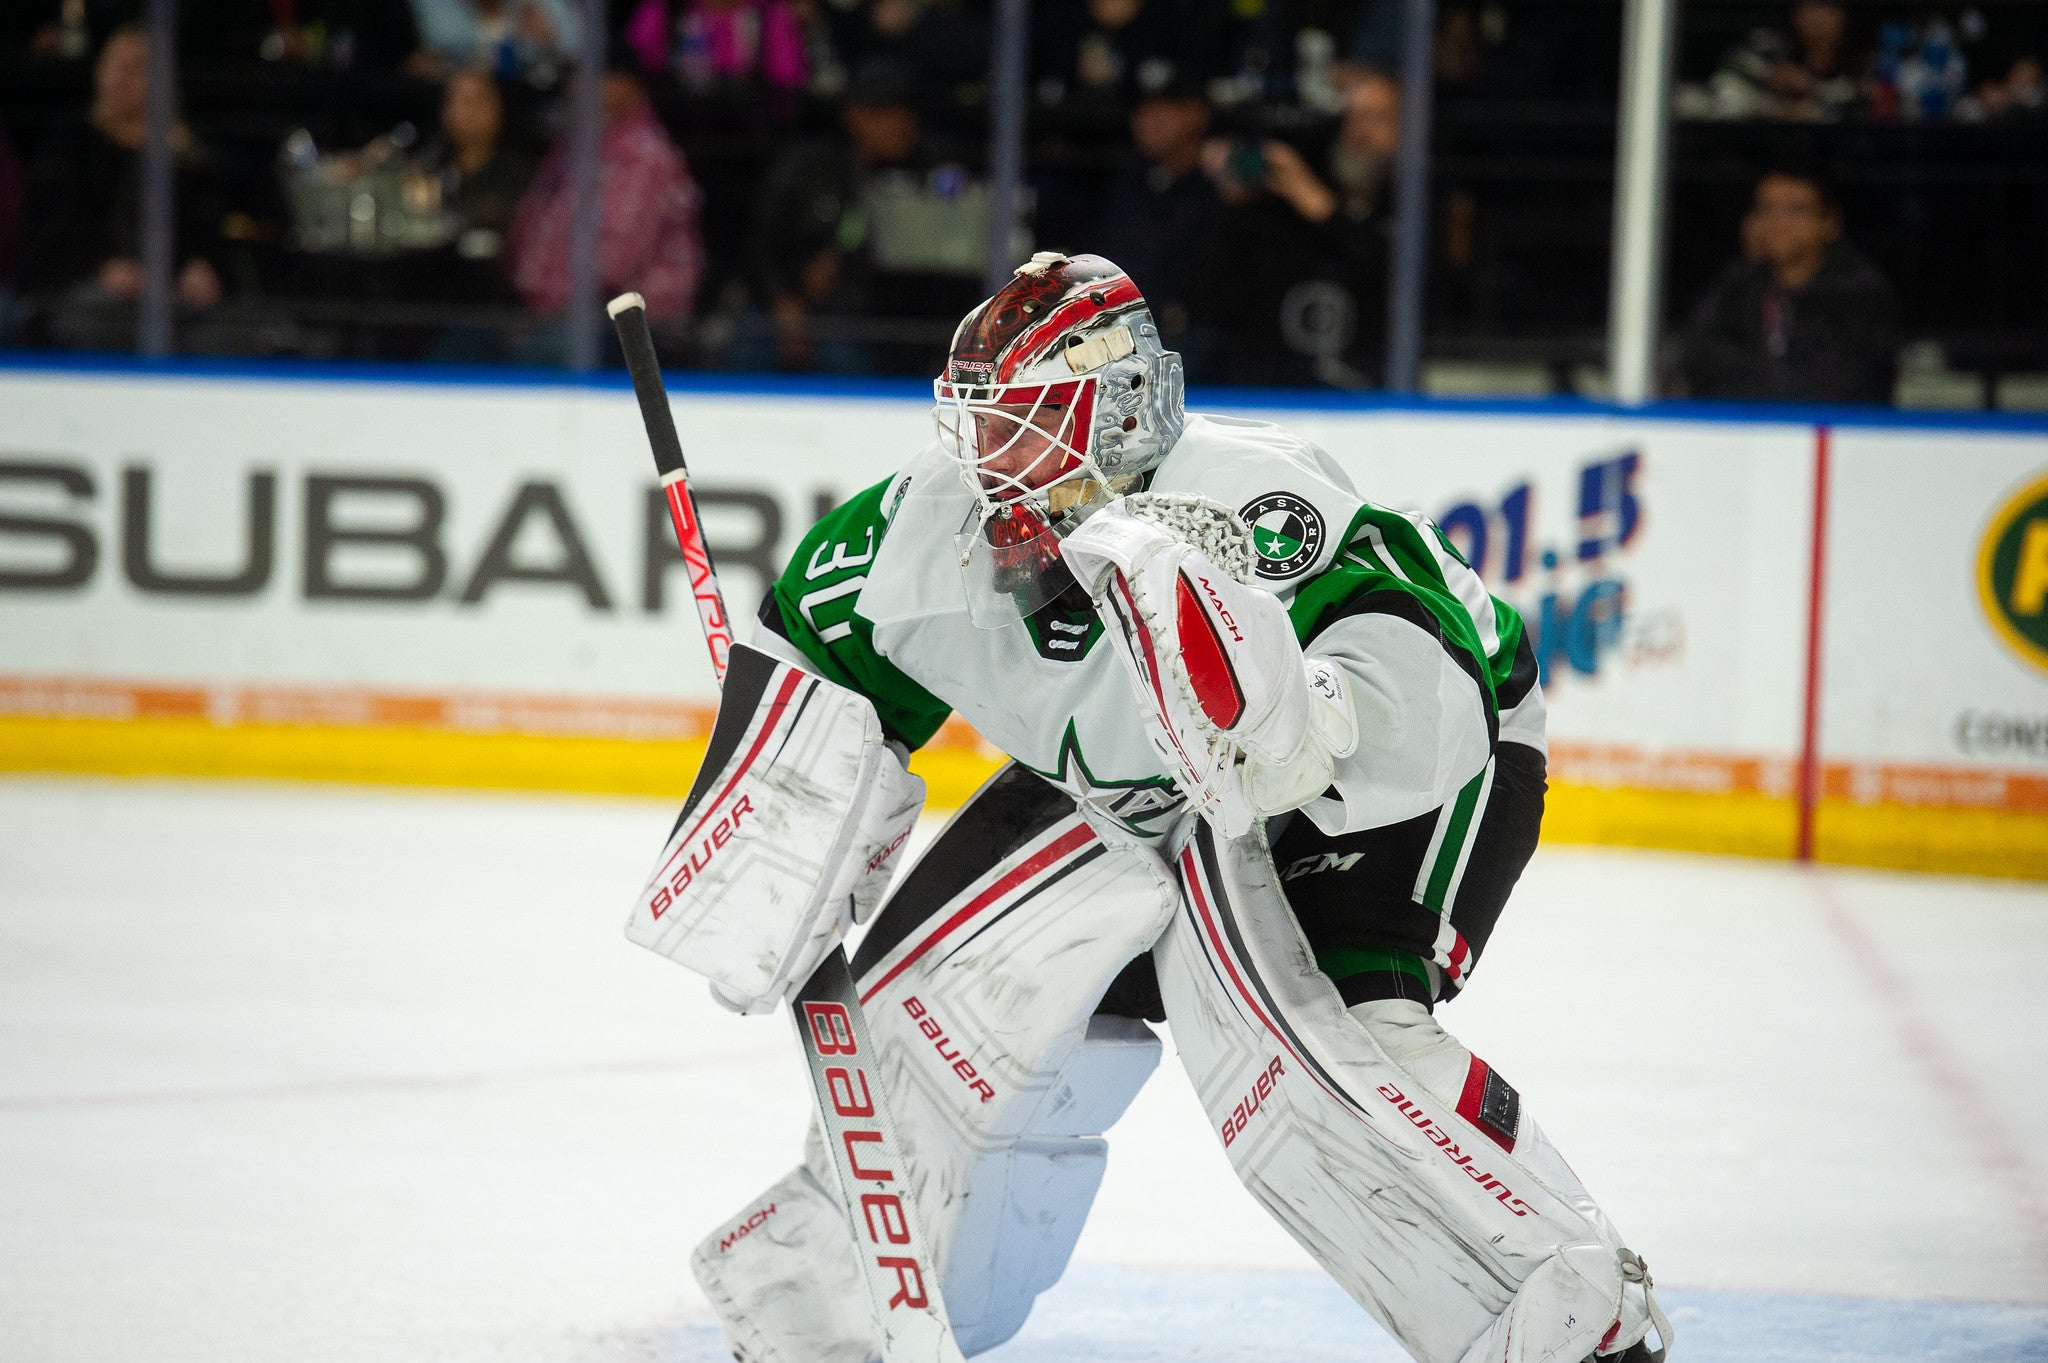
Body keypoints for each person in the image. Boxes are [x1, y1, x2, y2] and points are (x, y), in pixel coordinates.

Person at [657, 252, 1671, 1363]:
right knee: (938, 1010)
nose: (996, 457)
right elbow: (807, 678)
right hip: (1136, 778)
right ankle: (858, 1303)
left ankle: (1571, 1315)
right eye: (983, 422)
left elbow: (1422, 680)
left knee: (1318, 1039)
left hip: (1399, 767)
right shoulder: (907, 541)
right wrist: (775, 840)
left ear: (1126, 407)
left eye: (1033, 420)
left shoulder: (1256, 501)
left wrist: (1290, 733)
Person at [19, 24, 230, 347]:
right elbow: (50, 229)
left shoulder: (188, 154)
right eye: (112, 66)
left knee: (225, 331)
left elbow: (211, 229)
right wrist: (102, 267)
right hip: (84, 290)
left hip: (170, 298)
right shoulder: (71, 141)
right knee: (89, 318)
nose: (120, 78)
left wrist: (198, 265)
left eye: (135, 69)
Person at [505, 62, 702, 356]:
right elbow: (528, 230)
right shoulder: (569, 150)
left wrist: (547, 300)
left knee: (543, 351)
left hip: (634, 324)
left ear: (631, 87)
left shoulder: (645, 156)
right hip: (557, 311)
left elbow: (615, 260)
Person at [1678, 168, 1901, 405]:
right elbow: (1701, 367)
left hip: (1835, 435)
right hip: (1743, 433)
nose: (1778, 223)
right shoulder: (1735, 287)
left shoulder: (1861, 293)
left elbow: (1847, 381)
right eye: (1767, 209)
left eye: (1796, 210)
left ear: (1829, 223)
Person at [1091, 73, 1228, 378]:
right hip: (1123, 343)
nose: (1150, 120)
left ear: (1198, 114)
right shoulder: (1122, 179)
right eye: (1145, 108)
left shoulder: (1223, 185)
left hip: (1203, 350)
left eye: (1167, 107)